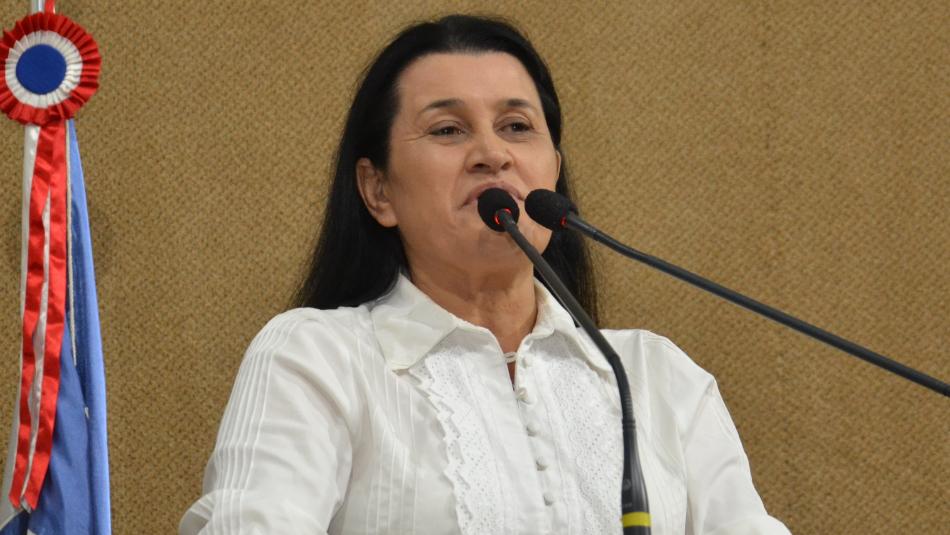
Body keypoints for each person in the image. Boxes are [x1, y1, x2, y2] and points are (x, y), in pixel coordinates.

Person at [180, 15, 791, 535]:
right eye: (448, 130)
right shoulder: (319, 359)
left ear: (553, 171)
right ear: (378, 190)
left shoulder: (656, 377)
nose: (493, 154)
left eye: (517, 127)